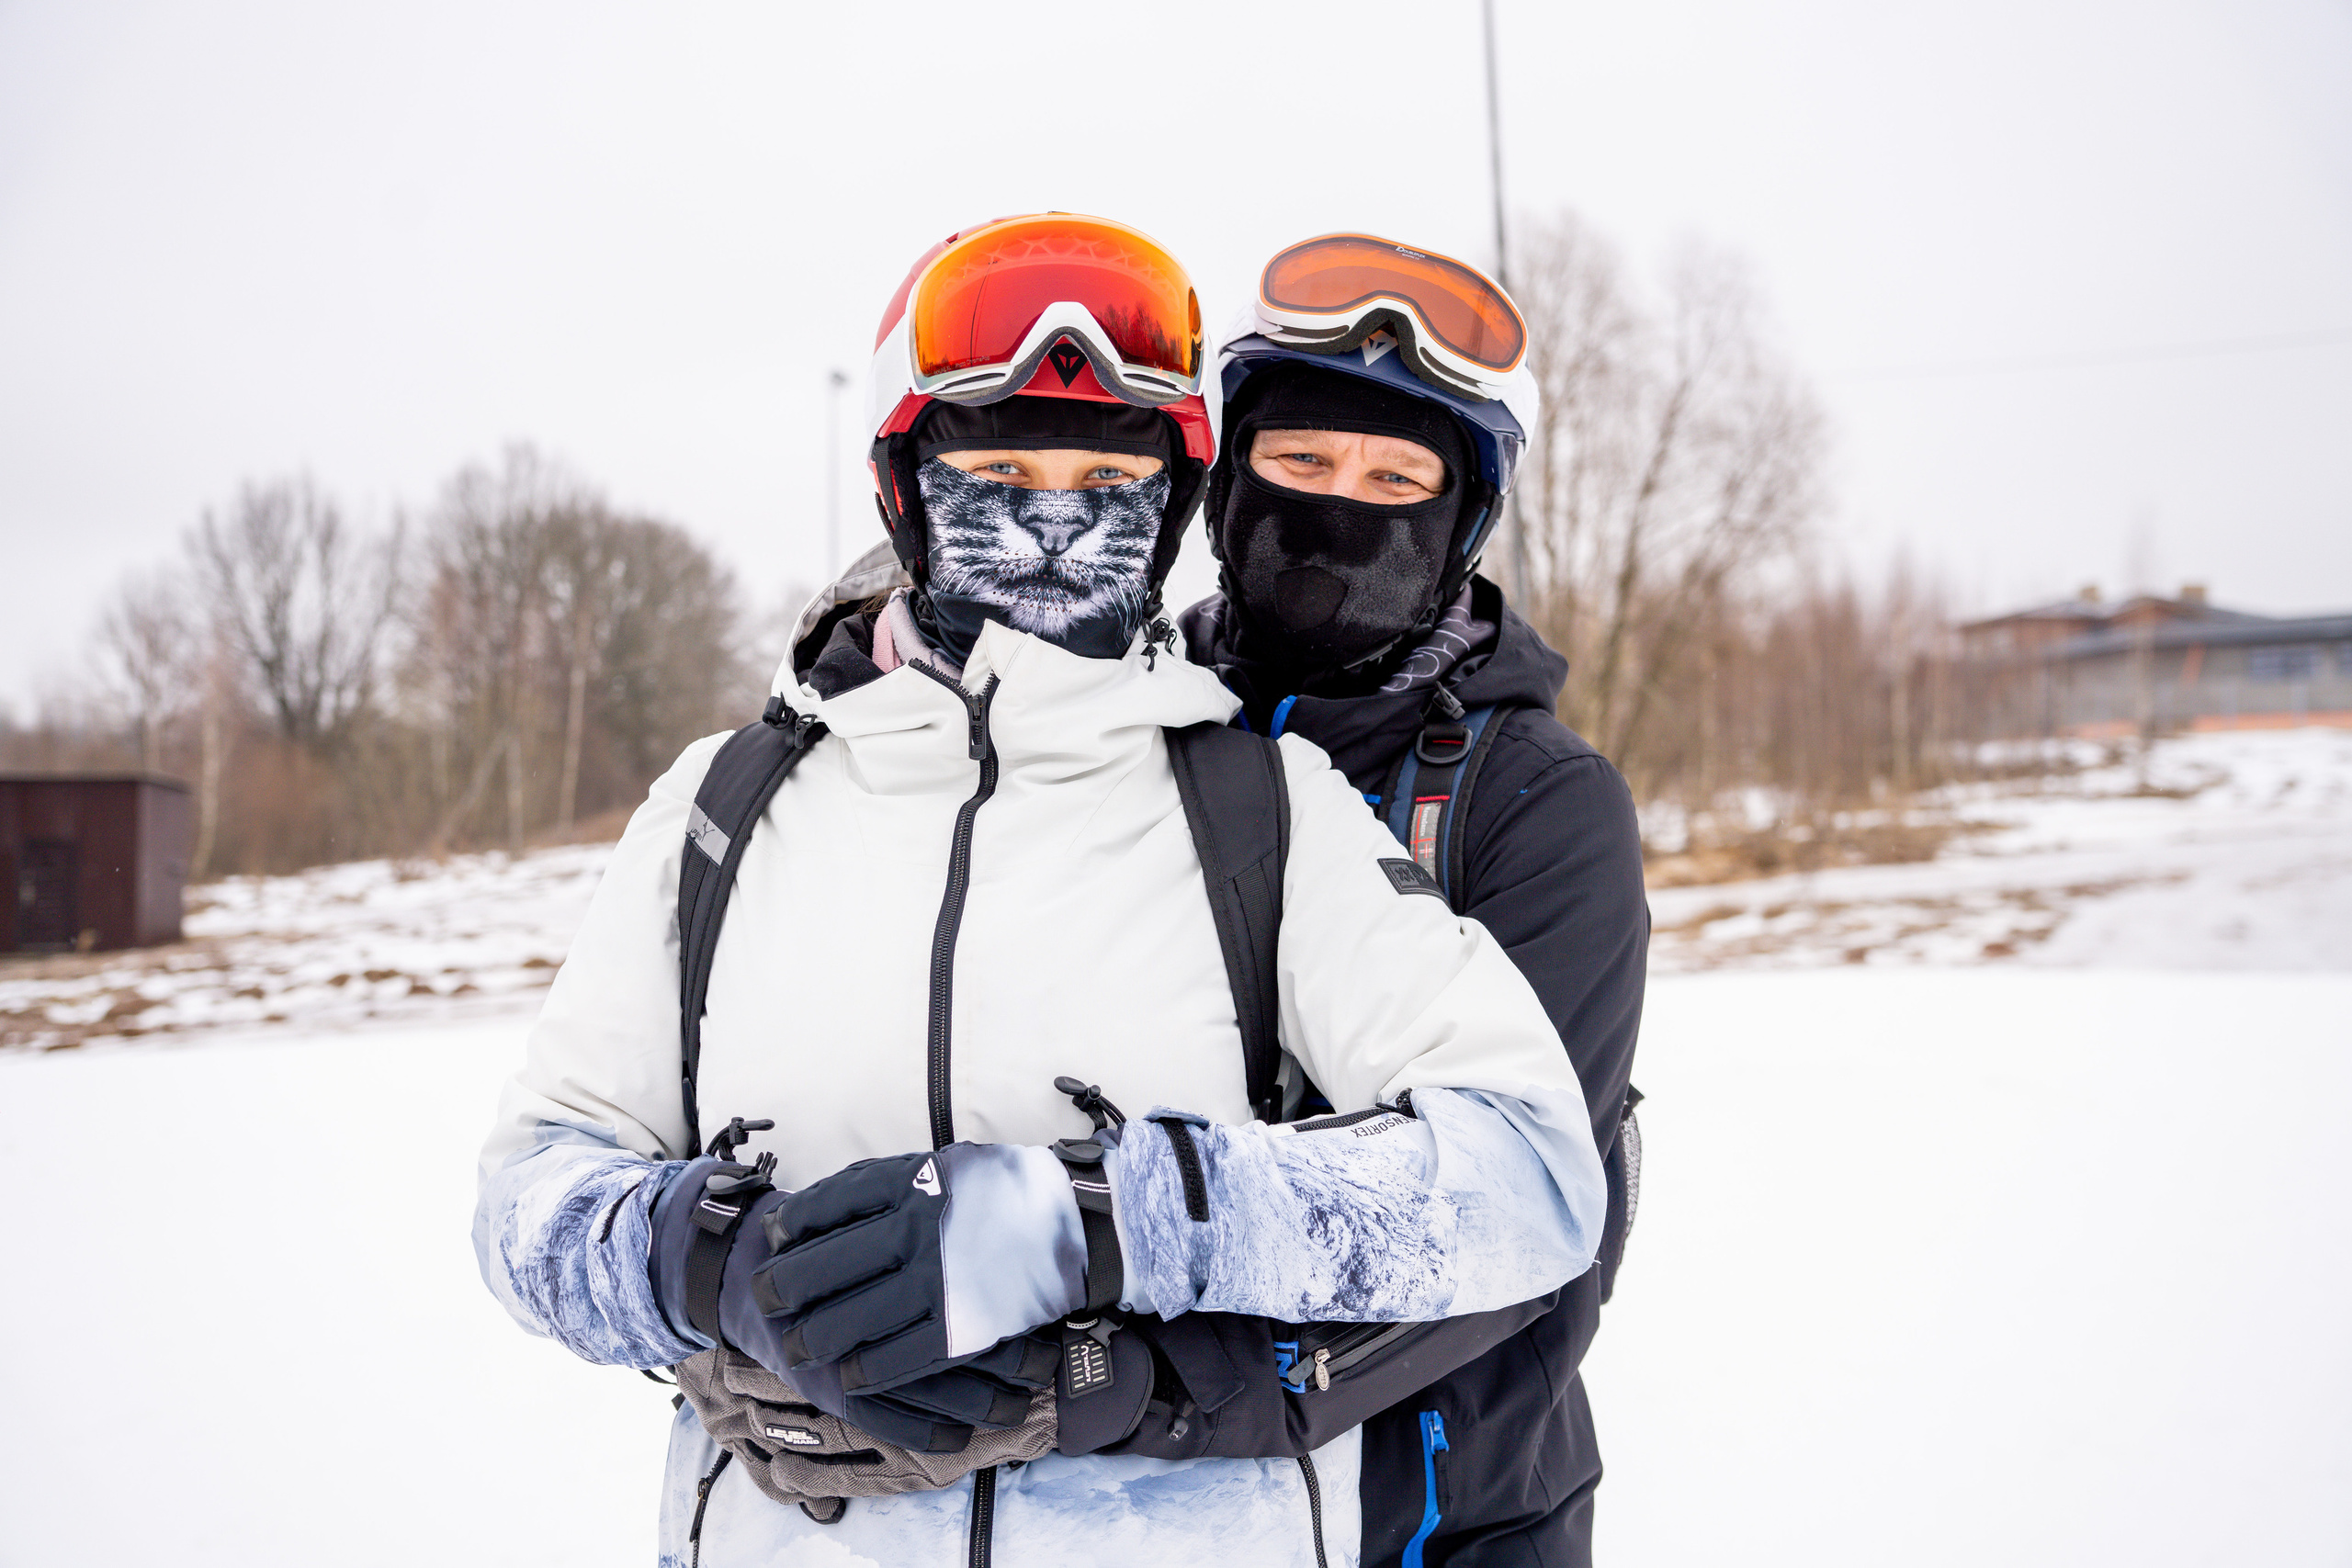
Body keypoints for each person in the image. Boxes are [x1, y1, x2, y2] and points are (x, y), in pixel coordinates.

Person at [472, 213, 1609, 1566]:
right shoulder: (724, 810)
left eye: (1104, 476)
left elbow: (1529, 1177)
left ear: (1173, 501)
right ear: (905, 485)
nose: (1054, 519)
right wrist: (705, 1264)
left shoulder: (1259, 808)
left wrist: (1089, 1226)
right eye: (999, 464)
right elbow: (527, 1195)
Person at [1181, 233, 1650, 1565]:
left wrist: (1155, 1389)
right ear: (1228, 479)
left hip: (1452, 1521)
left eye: (1399, 479)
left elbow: (1526, 1208)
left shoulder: (1536, 803)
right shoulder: (1121, 738)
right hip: (1155, 1523)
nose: (1345, 508)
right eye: (1304, 463)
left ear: (1460, 527)